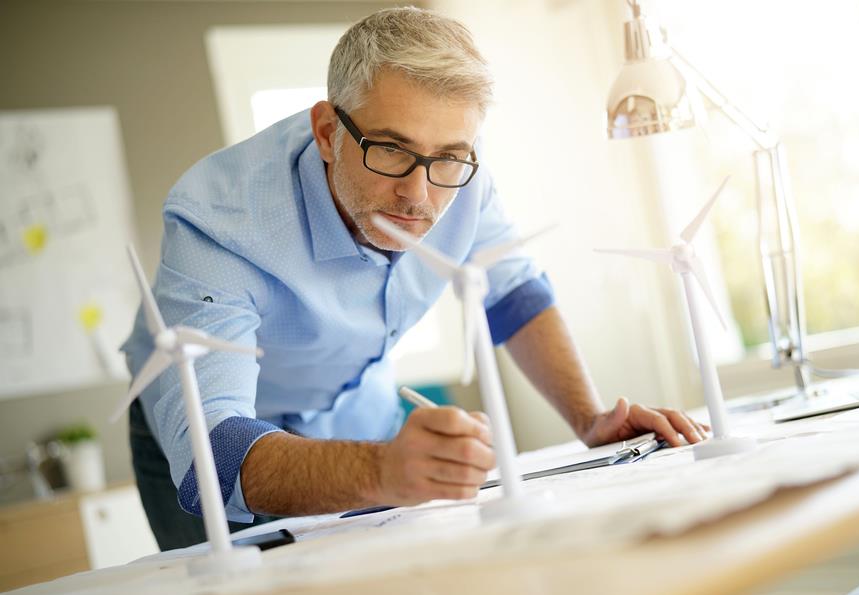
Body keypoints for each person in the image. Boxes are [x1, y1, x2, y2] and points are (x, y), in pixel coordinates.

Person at [122, 7, 707, 551]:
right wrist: (380, 471)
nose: (418, 195)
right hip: (221, 438)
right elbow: (214, 457)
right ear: (327, 132)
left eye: (449, 157)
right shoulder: (219, 221)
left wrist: (590, 418)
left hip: (358, 410)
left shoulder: (461, 170)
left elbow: (513, 294)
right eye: (390, 150)